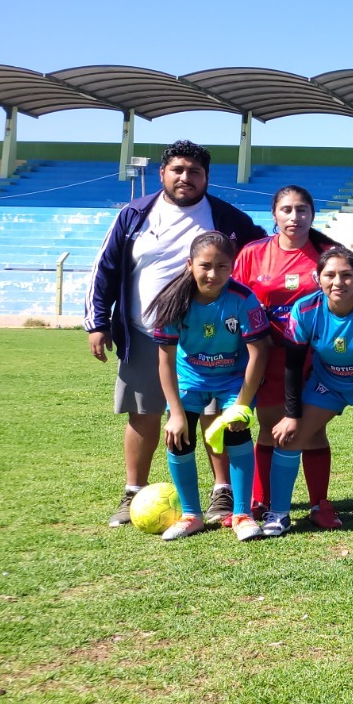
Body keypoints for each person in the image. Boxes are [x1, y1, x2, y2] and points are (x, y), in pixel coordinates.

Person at [86, 140, 265, 529]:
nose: (186, 177)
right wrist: (98, 322)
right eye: (178, 170)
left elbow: (266, 247)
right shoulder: (135, 214)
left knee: (216, 415)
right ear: (163, 173)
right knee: (146, 413)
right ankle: (134, 490)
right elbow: (107, 267)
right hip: (146, 334)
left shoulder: (227, 218)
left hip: (215, 338)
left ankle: (223, 492)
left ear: (206, 178)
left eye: (194, 172)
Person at [269, 247, 353, 536]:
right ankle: (278, 513)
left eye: (347, 275)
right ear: (318, 277)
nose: (338, 282)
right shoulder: (305, 310)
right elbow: (292, 365)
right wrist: (291, 415)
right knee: (290, 437)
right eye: (330, 275)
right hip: (327, 384)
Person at [146, 232, 270, 541]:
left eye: (222, 267)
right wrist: (175, 412)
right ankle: (191, 515)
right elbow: (165, 361)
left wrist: (242, 403)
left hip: (232, 379)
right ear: (190, 265)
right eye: (205, 266)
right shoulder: (173, 299)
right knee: (179, 435)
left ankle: (242, 514)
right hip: (192, 378)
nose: (213, 274)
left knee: (236, 430)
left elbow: (259, 352)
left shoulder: (242, 299)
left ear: (232, 268)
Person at [232, 185, 339, 527]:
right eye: (287, 209)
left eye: (302, 209)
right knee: (268, 428)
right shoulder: (252, 253)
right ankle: (260, 500)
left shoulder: (327, 252)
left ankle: (320, 504)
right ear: (274, 214)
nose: (295, 217)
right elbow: (235, 298)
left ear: (312, 213)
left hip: (314, 358)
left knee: (312, 430)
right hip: (268, 356)